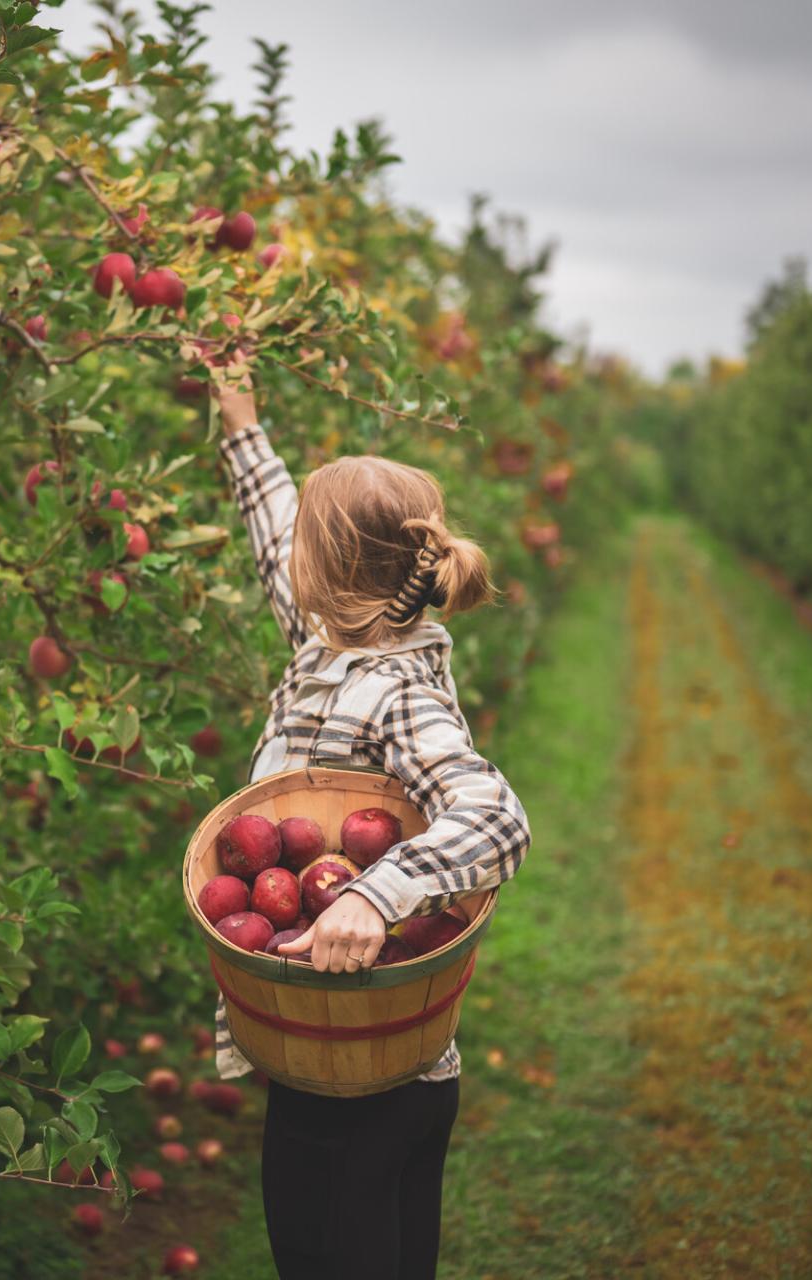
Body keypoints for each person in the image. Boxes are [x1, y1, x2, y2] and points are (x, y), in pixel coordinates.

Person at [208, 362, 533, 1280]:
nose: (288, 562)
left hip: (361, 1071)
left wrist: (375, 897)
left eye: (307, 551)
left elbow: (495, 818)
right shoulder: (333, 640)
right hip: (349, 1054)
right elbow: (277, 536)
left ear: (330, 573)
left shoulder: (395, 692)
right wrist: (242, 424)